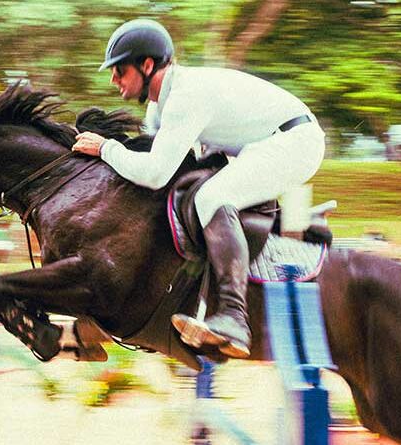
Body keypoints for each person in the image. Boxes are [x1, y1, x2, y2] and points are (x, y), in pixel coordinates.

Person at [72, 18, 325, 359]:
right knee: (195, 196)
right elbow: (160, 173)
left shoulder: (184, 96)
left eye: (119, 70)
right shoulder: (159, 108)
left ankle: (234, 317)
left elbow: (154, 174)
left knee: (211, 197)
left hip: (296, 143)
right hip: (263, 144)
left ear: (147, 66)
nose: (113, 79)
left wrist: (106, 148)